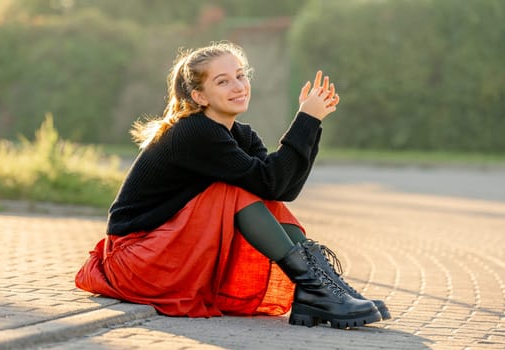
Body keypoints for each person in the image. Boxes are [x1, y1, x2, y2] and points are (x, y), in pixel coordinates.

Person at [75, 41, 390, 329]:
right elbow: (270, 180)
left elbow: (280, 190)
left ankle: (321, 286)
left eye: (240, 76)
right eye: (222, 81)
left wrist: (311, 124)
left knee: (257, 192)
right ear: (199, 96)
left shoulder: (240, 134)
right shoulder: (194, 132)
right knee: (233, 190)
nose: (238, 86)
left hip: (171, 250)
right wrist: (305, 120)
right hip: (136, 261)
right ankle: (315, 287)